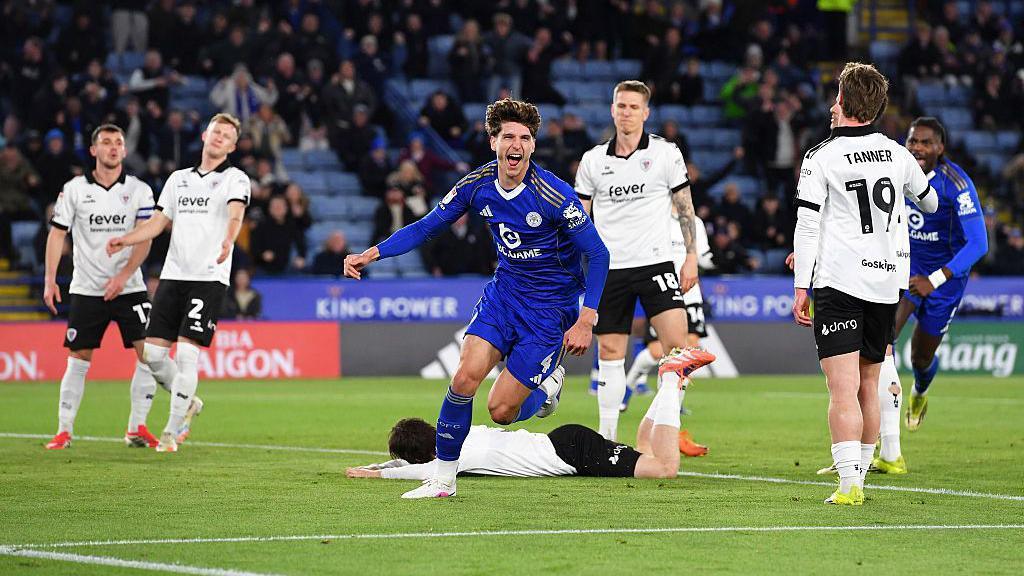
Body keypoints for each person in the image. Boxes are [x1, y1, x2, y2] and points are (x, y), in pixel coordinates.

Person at [344, 99, 612, 499]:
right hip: (503, 295)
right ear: (493, 142)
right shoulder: (477, 185)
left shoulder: (555, 196)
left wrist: (586, 317)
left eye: (524, 137)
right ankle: (443, 481)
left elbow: (599, 253)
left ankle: (548, 389)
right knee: (465, 375)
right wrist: (373, 252)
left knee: (501, 411)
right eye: (508, 136)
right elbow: (428, 225)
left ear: (533, 146)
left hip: (549, 310)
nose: (516, 145)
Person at [791, 63, 937, 505]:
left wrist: (802, 286)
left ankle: (849, 483)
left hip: (839, 282)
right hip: (885, 283)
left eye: (837, 95)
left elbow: (807, 225)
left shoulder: (822, 157)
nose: (833, 103)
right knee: (868, 383)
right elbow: (928, 202)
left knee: (841, 388)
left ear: (846, 101)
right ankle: (861, 475)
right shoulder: (896, 153)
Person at [107, 113, 250, 453]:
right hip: (173, 276)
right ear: (204, 135)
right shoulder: (177, 180)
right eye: (216, 130)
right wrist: (127, 239)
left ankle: (171, 431)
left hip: (208, 278)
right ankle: (188, 400)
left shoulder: (235, 178)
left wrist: (229, 239)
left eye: (227, 134)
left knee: (187, 353)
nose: (219, 137)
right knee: (153, 355)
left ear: (231, 146)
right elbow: (158, 223)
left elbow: (235, 213)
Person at [574, 80, 706, 442]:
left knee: (678, 349)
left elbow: (685, 208)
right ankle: (608, 437)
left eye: (634, 107)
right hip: (610, 268)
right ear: (613, 110)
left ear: (646, 113)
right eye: (621, 106)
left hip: (656, 263)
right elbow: (579, 219)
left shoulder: (666, 154)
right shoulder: (593, 161)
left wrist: (691, 257)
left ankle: (665, 429)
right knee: (612, 352)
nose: (627, 113)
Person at [347, 355, 712, 482]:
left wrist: (375, 473)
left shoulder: (454, 458)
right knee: (646, 452)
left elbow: (420, 470)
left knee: (664, 468)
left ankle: (669, 378)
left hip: (572, 453)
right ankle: (670, 381)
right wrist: (381, 464)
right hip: (566, 442)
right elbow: (413, 462)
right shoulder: (458, 434)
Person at [43, 124, 169, 450]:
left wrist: (125, 274)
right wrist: (49, 279)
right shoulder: (73, 189)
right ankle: (64, 430)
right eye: (106, 143)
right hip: (87, 288)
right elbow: (58, 234)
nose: (113, 148)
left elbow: (146, 237)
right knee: (79, 356)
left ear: (125, 151)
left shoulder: (139, 190)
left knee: (149, 355)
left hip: (130, 287)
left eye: (118, 143)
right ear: (93, 150)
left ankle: (137, 427)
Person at [873, 117, 988, 471]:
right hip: (905, 274)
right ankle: (883, 442)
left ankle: (920, 393)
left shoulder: (958, 185)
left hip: (944, 283)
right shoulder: (899, 170)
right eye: (913, 141)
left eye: (925, 143)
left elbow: (979, 244)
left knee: (921, 358)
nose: (918, 148)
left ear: (940, 148)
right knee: (880, 340)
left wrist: (935, 279)